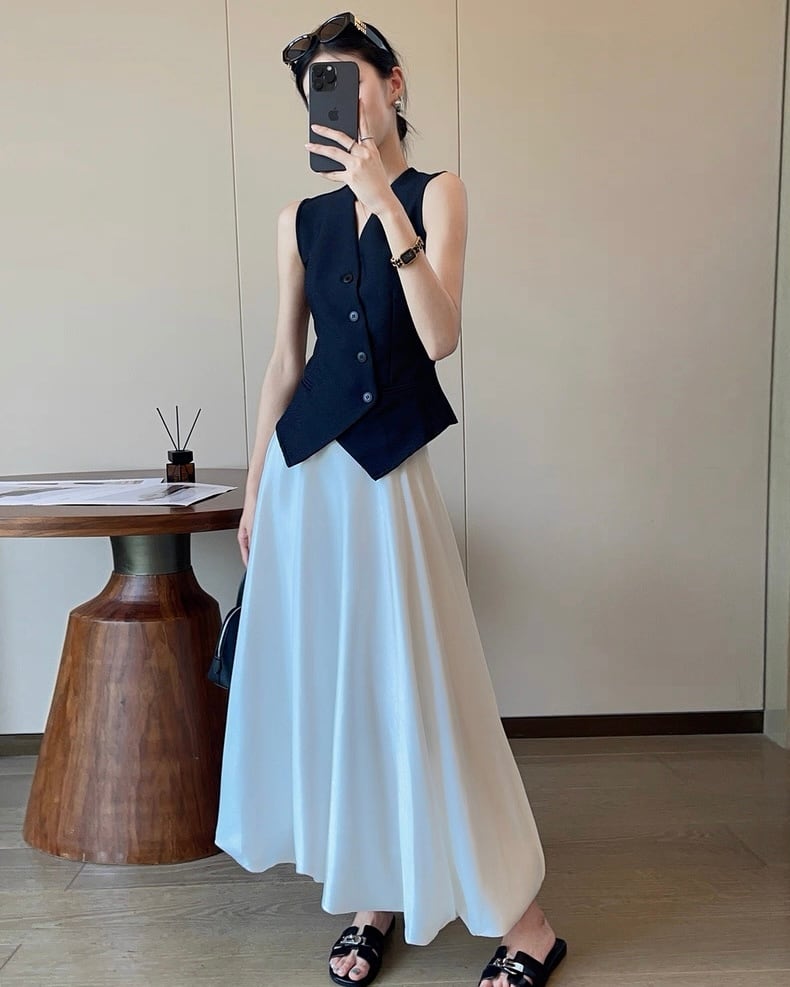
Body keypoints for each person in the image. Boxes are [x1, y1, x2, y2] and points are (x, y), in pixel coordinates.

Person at [215, 12, 567, 987]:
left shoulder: (437, 192)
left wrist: (384, 201)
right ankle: (372, 894)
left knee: (422, 687)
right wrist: (255, 492)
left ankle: (527, 923)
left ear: (393, 82)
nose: (336, 105)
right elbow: (285, 363)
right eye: (317, 94)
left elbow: (440, 334)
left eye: (348, 82)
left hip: (387, 476)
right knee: (341, 694)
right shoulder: (299, 218)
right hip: (303, 483)